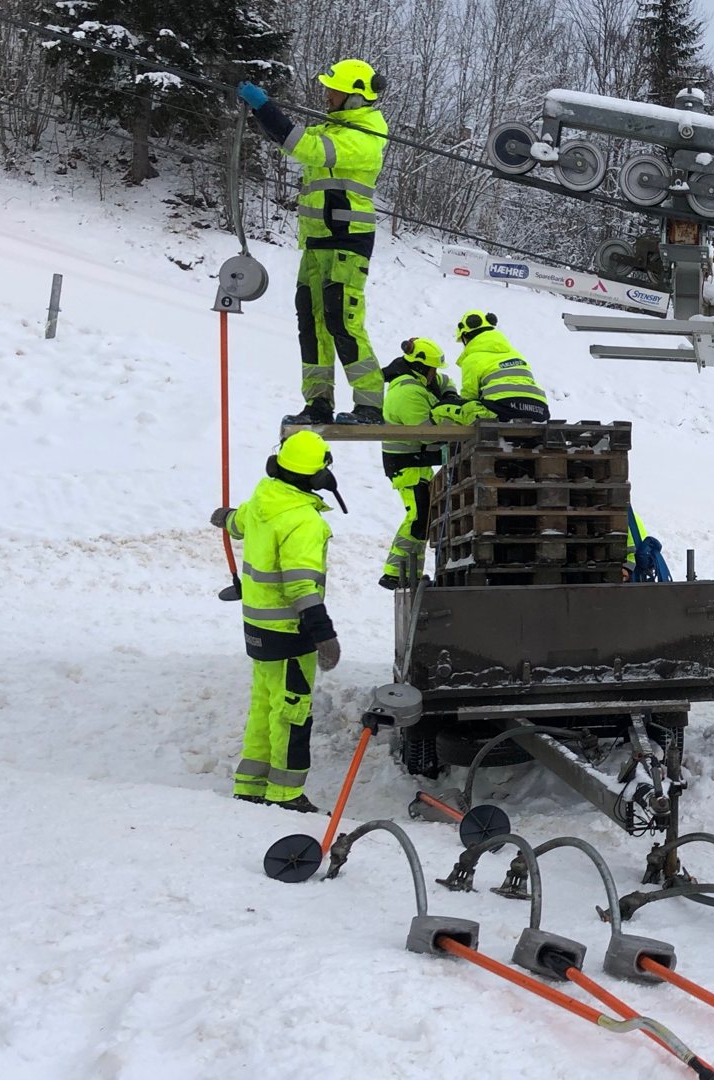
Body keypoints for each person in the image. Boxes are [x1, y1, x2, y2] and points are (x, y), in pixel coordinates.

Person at [237, 61, 390, 426]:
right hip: (317, 242)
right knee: (312, 324)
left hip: (346, 240)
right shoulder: (335, 129)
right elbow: (294, 141)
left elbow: (306, 148)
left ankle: (370, 405)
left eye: (334, 90)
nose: (327, 95)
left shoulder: (364, 139)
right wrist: (263, 114)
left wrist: (265, 107)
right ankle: (317, 403)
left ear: (355, 97)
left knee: (343, 320)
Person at [210, 431, 347, 812]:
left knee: (264, 705)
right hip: (290, 631)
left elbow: (241, 523)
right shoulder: (303, 520)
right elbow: (299, 582)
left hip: (257, 627)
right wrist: (324, 633)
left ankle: (250, 784)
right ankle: (285, 795)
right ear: (319, 477)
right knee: (291, 713)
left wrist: (227, 519)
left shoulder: (264, 499)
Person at [377, 337, 473, 589]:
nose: (435, 374)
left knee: (423, 517)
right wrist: (453, 417)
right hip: (406, 463)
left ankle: (408, 573)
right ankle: (393, 573)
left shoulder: (420, 381)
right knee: (418, 517)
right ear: (421, 368)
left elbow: (445, 381)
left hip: (417, 461)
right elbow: (431, 435)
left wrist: (450, 396)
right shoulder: (407, 393)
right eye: (432, 369)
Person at [453, 310, 552, 422]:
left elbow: (469, 396)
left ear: (466, 337)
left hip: (502, 409)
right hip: (539, 409)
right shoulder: (516, 354)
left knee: (449, 409)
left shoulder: (472, 359)